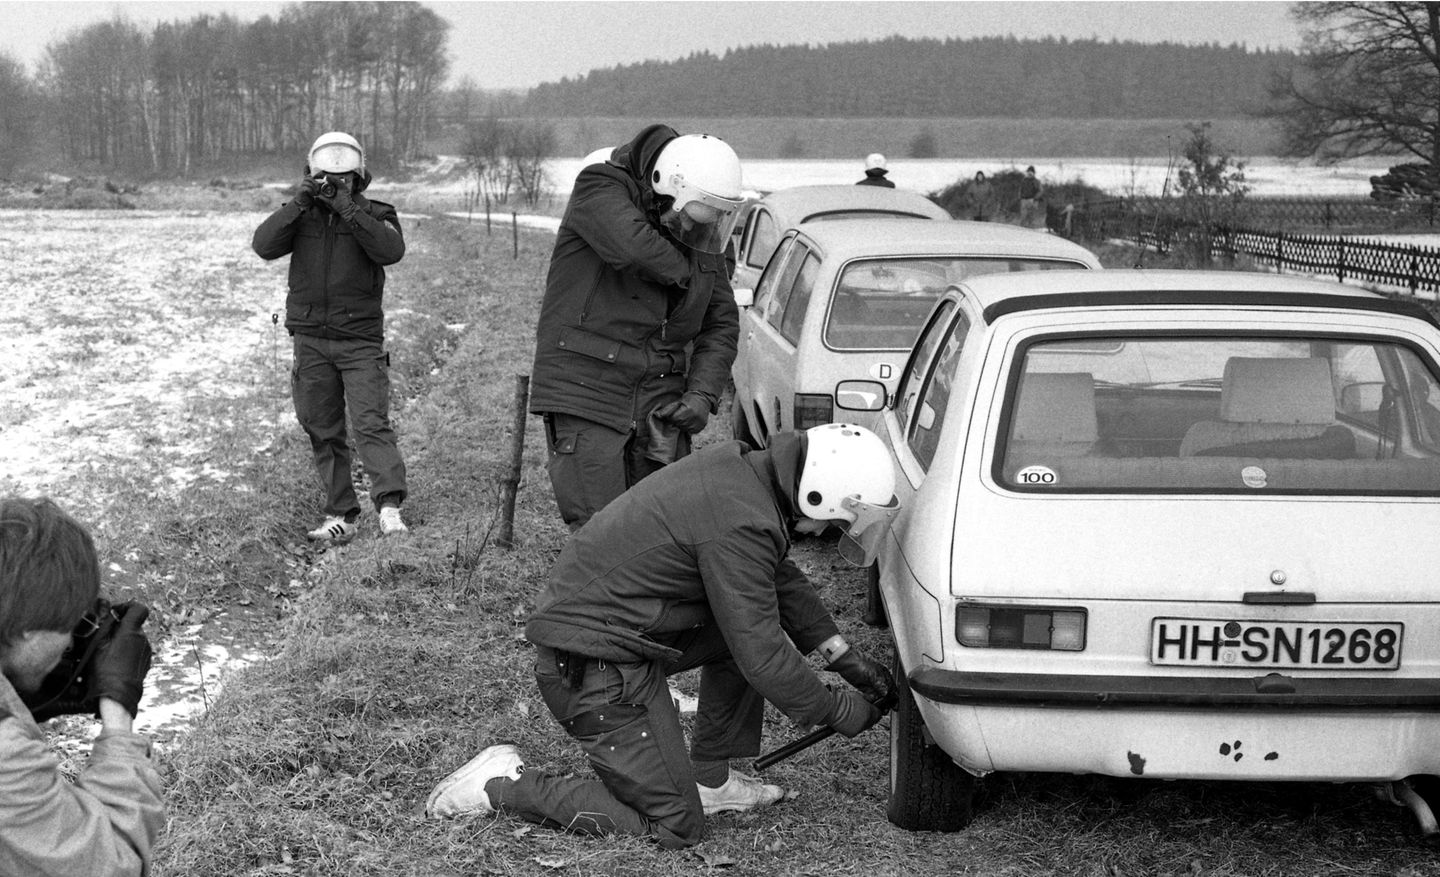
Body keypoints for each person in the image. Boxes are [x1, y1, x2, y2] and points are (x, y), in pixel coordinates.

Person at [426, 423, 902, 848]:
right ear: (817, 493)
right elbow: (762, 654)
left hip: (618, 640)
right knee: (676, 825)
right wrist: (834, 708)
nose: (828, 530)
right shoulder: (739, 520)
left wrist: (843, 656)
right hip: (591, 667)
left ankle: (710, 780)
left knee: (741, 629)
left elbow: (778, 578)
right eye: (836, 519)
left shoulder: (743, 476)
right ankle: (502, 785)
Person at [530, 124, 744, 531]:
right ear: (668, 188)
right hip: (586, 391)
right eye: (696, 216)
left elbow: (721, 322)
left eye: (714, 218)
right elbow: (637, 251)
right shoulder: (599, 188)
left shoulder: (705, 233)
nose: (698, 230)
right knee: (600, 533)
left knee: (662, 534)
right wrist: (690, 271)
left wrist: (702, 394)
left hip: (660, 401)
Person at [253, 131, 410, 542]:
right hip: (310, 338)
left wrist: (348, 210)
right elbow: (263, 245)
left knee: (371, 423)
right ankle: (341, 512)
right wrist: (301, 200)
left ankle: (389, 507)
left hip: (359, 340)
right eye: (326, 177)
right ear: (311, 173)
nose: (336, 185)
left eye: (344, 179)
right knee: (321, 428)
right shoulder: (300, 213)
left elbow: (390, 251)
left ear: (359, 176)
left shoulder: (378, 213)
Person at [0, 497, 161, 876]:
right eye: (68, 628)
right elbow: (110, 865)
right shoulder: (7, 756)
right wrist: (118, 720)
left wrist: (28, 698)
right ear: (27, 630)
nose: (72, 643)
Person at [1018, 165, 1046, 229]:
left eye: (1031, 172)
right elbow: (1020, 189)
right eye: (1028, 172)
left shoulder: (1036, 181)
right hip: (1024, 200)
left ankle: (1031, 230)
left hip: (1032, 201)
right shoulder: (1024, 181)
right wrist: (1020, 197)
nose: (1029, 173)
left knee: (1031, 217)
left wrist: (1035, 198)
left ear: (1033, 173)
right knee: (1023, 217)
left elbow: (1041, 191)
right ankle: (1022, 229)